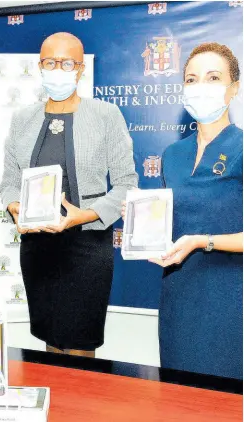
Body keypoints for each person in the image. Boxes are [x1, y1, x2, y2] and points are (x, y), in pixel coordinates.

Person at [0, 32, 138, 357]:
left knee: (79, 345)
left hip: (87, 248)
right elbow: (8, 181)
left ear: (80, 69)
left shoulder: (105, 116)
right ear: (39, 66)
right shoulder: (22, 120)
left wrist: (84, 214)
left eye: (67, 63)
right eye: (50, 62)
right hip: (38, 247)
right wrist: (15, 207)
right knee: (50, 340)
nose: (57, 69)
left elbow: (126, 184)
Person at [123, 43, 242, 379]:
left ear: (234, 88)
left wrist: (203, 241)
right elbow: (174, 221)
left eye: (213, 77)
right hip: (178, 294)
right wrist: (140, 216)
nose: (200, 86)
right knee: (177, 395)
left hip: (230, 297)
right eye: (191, 79)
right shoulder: (172, 154)